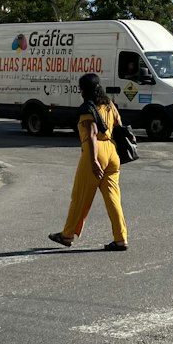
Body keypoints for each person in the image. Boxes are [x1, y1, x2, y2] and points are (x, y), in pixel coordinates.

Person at [49, 72, 129, 252]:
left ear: (84, 90)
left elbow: (92, 134)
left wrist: (93, 160)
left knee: (80, 196)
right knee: (113, 199)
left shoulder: (87, 108)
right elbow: (119, 125)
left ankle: (67, 235)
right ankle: (120, 238)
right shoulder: (109, 105)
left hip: (96, 152)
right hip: (112, 152)